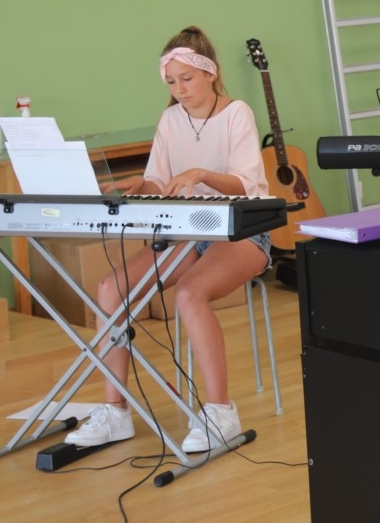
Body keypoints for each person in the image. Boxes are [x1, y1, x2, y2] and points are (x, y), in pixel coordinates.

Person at [64, 26, 272, 452]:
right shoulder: (170, 120)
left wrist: (201, 174)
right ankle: (115, 412)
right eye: (172, 82)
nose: (179, 90)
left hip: (243, 229)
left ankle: (220, 413)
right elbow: (160, 183)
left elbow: (246, 184)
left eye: (187, 79)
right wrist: (142, 186)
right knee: (111, 287)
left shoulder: (237, 113)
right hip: (190, 231)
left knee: (190, 293)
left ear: (210, 73)